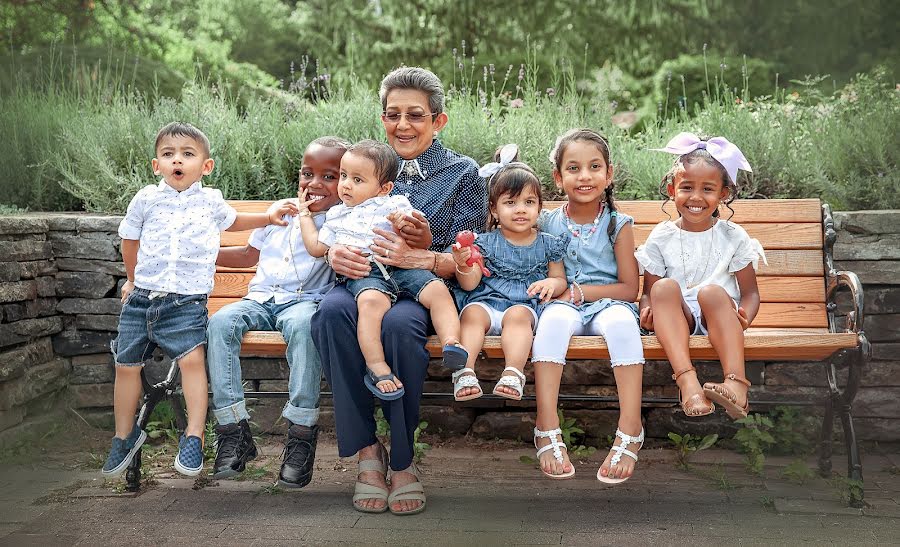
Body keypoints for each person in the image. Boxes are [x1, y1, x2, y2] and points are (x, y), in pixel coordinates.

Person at [310, 67, 487, 516]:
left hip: (420, 289)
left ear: (438, 121)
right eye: (393, 114)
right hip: (360, 281)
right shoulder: (362, 162)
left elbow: (467, 257)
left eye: (416, 115)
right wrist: (334, 256)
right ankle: (368, 452)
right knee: (330, 314)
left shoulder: (463, 174)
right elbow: (331, 225)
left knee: (401, 326)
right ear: (382, 117)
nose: (403, 125)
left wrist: (425, 255)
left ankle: (403, 459)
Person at [102, 122, 295, 478]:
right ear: (155, 164)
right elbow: (130, 241)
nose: (177, 160)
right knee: (126, 366)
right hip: (142, 299)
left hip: (186, 304)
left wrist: (268, 216)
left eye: (187, 154)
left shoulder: (211, 201)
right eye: (168, 154)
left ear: (205, 166)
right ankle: (124, 436)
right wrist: (132, 280)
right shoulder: (146, 198)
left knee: (193, 363)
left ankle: (193, 437)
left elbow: (236, 221)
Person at [206, 137, 348, 488]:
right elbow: (247, 257)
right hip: (259, 300)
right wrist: (204, 253)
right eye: (307, 173)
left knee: (304, 328)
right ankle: (233, 430)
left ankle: (301, 434)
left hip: (304, 301)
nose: (314, 183)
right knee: (221, 321)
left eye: (329, 177)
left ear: (345, 182)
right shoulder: (276, 213)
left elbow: (323, 254)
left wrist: (306, 217)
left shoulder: (339, 220)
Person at [298, 140, 467, 400]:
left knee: (437, 291)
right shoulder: (336, 215)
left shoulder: (396, 204)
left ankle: (452, 344)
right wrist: (304, 217)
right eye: (343, 176)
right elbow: (316, 247)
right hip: (367, 272)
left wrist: (406, 225)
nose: (345, 185)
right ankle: (377, 367)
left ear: (384, 188)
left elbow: (421, 239)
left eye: (357, 180)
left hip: (401, 265)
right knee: (370, 306)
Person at [530, 129, 645, 483]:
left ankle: (631, 428)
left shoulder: (617, 224)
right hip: (564, 303)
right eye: (574, 168)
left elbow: (629, 288)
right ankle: (546, 426)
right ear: (558, 177)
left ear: (609, 174)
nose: (584, 176)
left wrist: (581, 292)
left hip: (608, 303)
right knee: (551, 324)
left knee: (624, 327)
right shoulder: (546, 222)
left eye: (595, 167)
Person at [636, 132, 764, 421]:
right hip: (677, 318)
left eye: (707, 189)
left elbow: (750, 293)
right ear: (672, 189)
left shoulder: (732, 236)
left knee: (711, 292)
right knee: (664, 288)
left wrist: (746, 316)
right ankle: (688, 382)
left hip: (719, 316)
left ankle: (736, 384)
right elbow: (649, 292)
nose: (696, 197)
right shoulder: (662, 236)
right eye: (687, 187)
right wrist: (646, 309)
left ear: (723, 194)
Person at [449, 145, 568, 403]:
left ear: (539, 207)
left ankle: (513, 372)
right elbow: (470, 285)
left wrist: (551, 282)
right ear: (493, 209)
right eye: (510, 203)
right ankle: (464, 371)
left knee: (517, 318)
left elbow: (560, 280)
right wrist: (463, 265)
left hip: (523, 303)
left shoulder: (548, 243)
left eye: (529, 202)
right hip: (487, 301)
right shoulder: (485, 242)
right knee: (471, 314)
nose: (521, 209)